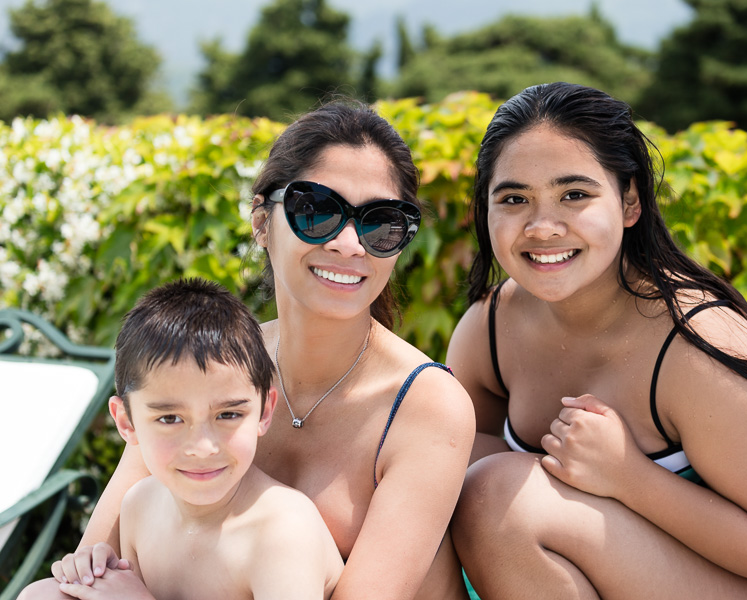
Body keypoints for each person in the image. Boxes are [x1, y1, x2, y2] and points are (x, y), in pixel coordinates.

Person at [24, 101, 475, 600]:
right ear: (261, 220)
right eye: (317, 211)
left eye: (380, 222)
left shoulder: (426, 404)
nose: (350, 243)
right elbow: (93, 567)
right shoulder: (212, 363)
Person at [446, 82, 747, 599]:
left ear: (630, 201)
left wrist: (627, 475)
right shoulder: (490, 327)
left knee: (496, 496)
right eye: (514, 199)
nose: (542, 226)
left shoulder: (695, 342)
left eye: (574, 195)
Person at [27, 277, 343, 600]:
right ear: (127, 422)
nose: (202, 447)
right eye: (170, 419)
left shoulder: (281, 533)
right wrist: (87, 575)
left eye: (228, 415)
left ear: (264, 411)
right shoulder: (140, 506)